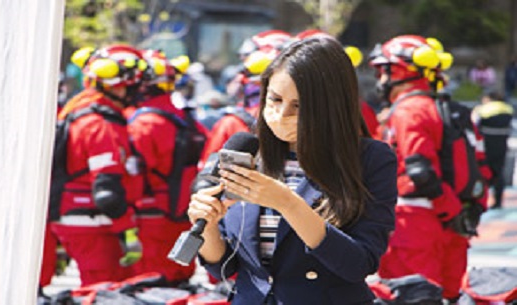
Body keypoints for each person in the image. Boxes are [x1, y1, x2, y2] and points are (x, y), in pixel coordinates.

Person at [188, 37, 397, 304]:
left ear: (330, 106)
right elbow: (225, 268)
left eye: (298, 106)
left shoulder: (371, 159)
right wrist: (207, 226)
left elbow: (358, 264)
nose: (281, 113)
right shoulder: (249, 152)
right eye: (274, 99)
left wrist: (288, 203)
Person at [369, 35, 475, 302]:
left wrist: (447, 208)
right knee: (445, 294)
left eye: (384, 70)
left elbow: (419, 169)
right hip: (444, 219)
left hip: (413, 223)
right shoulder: (438, 107)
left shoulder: (409, 110)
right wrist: (455, 213)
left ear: (401, 70)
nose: (381, 80)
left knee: (410, 294)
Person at [51, 44, 145, 286]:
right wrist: (128, 232)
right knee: (103, 291)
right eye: (131, 86)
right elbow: (106, 190)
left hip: (86, 219)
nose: (135, 91)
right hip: (92, 221)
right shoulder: (98, 124)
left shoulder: (84, 112)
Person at [127, 49, 208, 284]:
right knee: (179, 283)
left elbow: (134, 174)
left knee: (149, 287)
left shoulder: (143, 123)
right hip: (184, 215)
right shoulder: (189, 120)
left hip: (151, 219)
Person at [472, 92, 514, 209]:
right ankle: (498, 201)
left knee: (482, 172)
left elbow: (475, 125)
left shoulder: (482, 110)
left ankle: (481, 200)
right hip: (502, 145)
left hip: (485, 145)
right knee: (499, 173)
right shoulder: (507, 109)